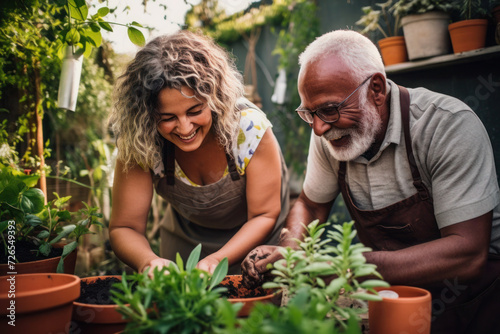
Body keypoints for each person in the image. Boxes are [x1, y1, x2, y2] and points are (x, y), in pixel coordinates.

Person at [241, 30, 500, 333]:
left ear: (376, 88)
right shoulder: (329, 132)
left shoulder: (446, 125)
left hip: (471, 300)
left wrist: (348, 267)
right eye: (309, 113)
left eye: (329, 109)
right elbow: (310, 205)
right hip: (389, 294)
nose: (320, 128)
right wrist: (291, 248)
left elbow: (468, 253)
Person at [108, 30, 289, 275]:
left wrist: (216, 261)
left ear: (214, 98)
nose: (184, 128)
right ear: (148, 117)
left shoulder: (247, 128)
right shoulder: (141, 138)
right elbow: (124, 226)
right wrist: (148, 262)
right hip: (187, 244)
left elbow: (264, 215)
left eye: (195, 111)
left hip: (257, 243)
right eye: (168, 118)